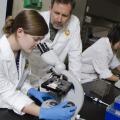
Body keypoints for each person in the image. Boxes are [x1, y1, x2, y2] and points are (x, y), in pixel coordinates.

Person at [0, 9, 76, 120]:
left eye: (40, 40)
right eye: (36, 39)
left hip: (11, 105)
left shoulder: (23, 52)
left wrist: (31, 90)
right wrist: (44, 112)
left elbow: (18, 80)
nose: (37, 45)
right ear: (20, 32)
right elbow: (6, 92)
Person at [38, 0, 82, 81]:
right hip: (32, 72)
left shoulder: (74, 23)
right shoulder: (38, 18)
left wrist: (75, 83)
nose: (59, 19)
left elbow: (75, 55)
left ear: (70, 15)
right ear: (50, 8)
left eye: (64, 15)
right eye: (56, 13)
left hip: (52, 75)